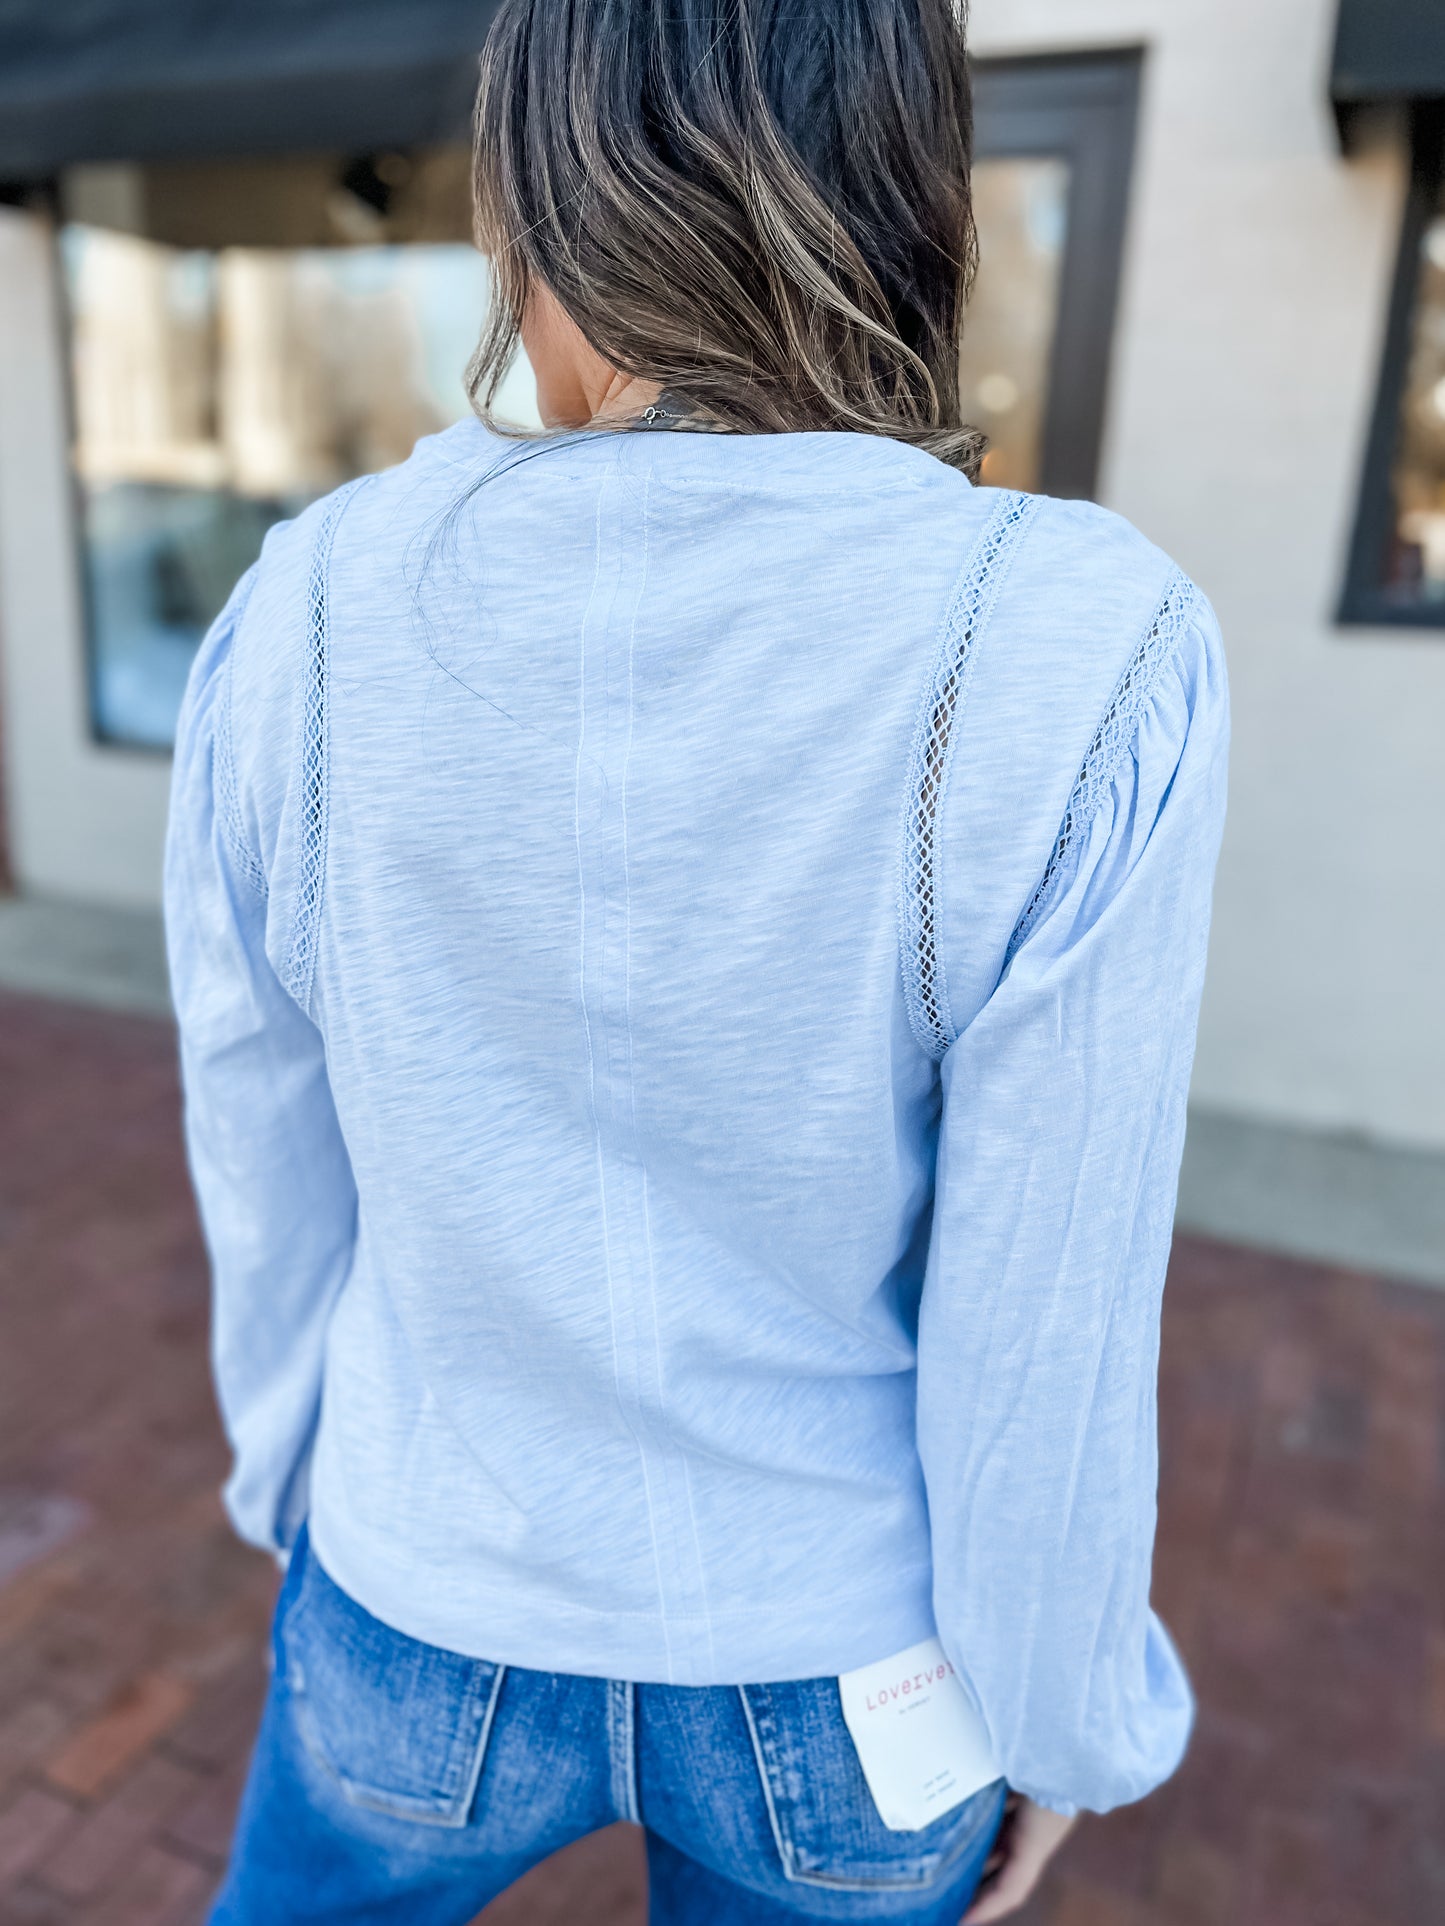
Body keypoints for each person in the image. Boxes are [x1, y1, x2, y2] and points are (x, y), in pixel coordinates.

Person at [165, 1, 1228, 1920]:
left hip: (418, 1577)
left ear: (539, 200)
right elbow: (1047, 1323)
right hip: (842, 1649)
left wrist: (297, 1486)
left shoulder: (309, 601)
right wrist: (1061, 1720)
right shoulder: (1084, 641)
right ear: (903, 184)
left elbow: (261, 1135)